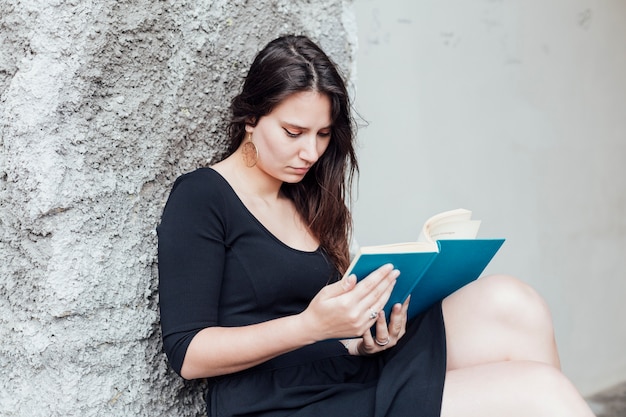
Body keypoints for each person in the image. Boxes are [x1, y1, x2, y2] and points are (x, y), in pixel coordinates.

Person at [157, 34, 595, 417]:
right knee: (540, 391)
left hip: (348, 367)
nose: (311, 152)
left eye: (323, 134)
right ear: (251, 119)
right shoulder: (201, 196)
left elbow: (335, 325)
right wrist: (311, 326)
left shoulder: (307, 194)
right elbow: (189, 354)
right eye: (294, 132)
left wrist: (366, 337)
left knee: (514, 303)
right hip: (279, 400)